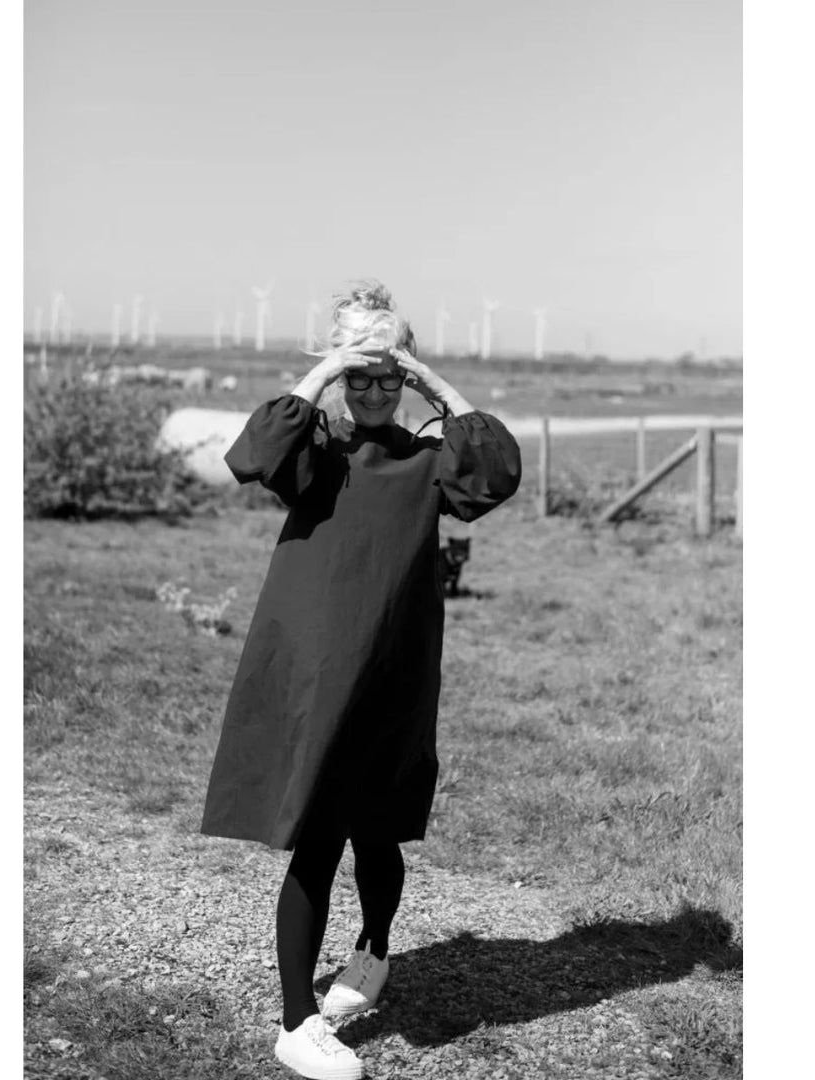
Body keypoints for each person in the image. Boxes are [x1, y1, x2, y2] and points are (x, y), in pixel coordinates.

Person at [200, 281, 522, 1080]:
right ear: (339, 374)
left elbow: (494, 473)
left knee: (381, 826)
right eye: (360, 375)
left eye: (389, 376)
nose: (375, 391)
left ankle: (372, 951)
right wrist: (326, 370)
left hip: (397, 664)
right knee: (318, 836)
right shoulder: (318, 451)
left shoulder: (424, 462)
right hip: (318, 664)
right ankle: (295, 1022)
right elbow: (254, 456)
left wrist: (431, 382)